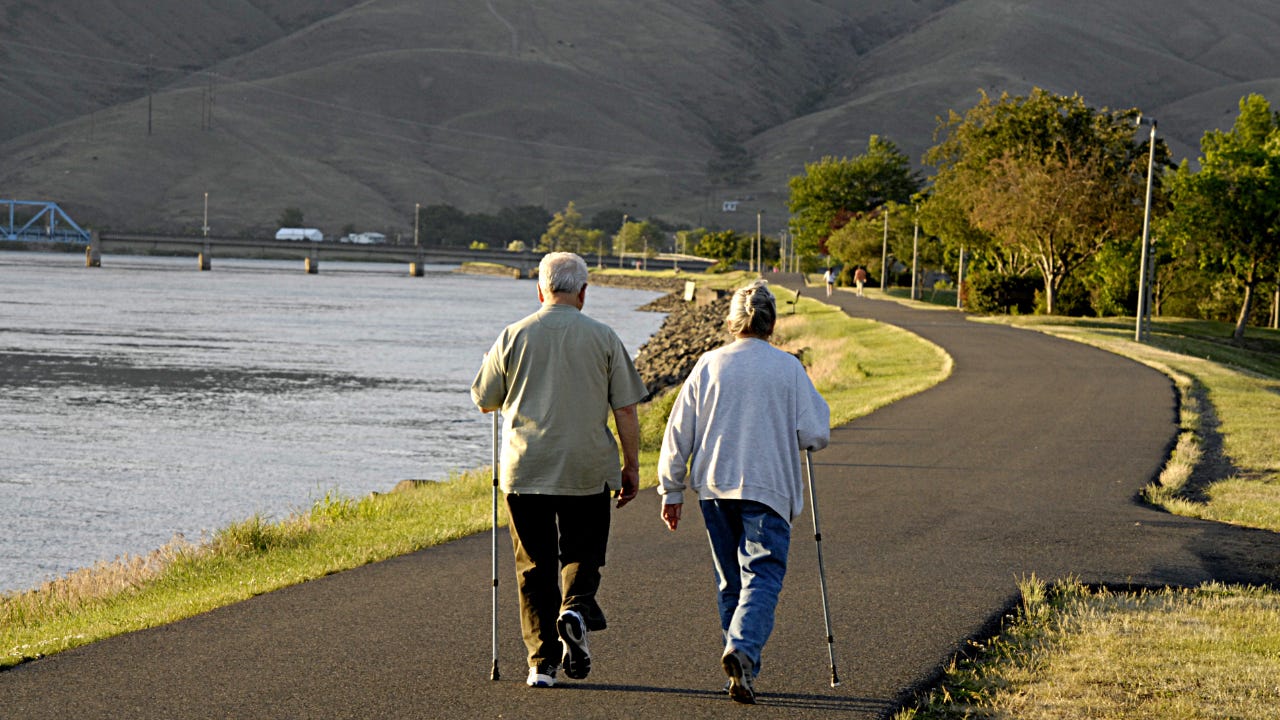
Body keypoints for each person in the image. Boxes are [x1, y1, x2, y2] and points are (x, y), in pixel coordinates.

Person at [471, 252, 648, 689]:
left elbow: (484, 399)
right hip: (586, 466)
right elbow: (625, 408)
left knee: (533, 564)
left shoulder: (513, 335)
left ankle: (542, 664)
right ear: (583, 292)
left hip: (526, 467)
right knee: (582, 552)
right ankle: (575, 606)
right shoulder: (604, 337)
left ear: (540, 289)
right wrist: (631, 466)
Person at [656, 280, 830, 704]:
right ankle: (743, 651)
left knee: (731, 580)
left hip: (715, 486)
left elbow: (679, 432)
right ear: (772, 323)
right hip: (767, 486)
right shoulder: (788, 368)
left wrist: (671, 490)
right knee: (764, 575)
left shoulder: (709, 364)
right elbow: (815, 433)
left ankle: (740, 666)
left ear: (733, 322)